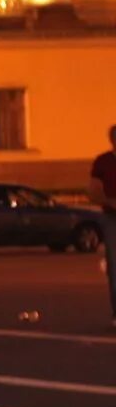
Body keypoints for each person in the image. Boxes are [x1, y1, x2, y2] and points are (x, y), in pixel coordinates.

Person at [89, 126, 116, 328]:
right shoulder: (103, 162)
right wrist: (111, 202)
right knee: (114, 266)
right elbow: (94, 191)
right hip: (112, 217)